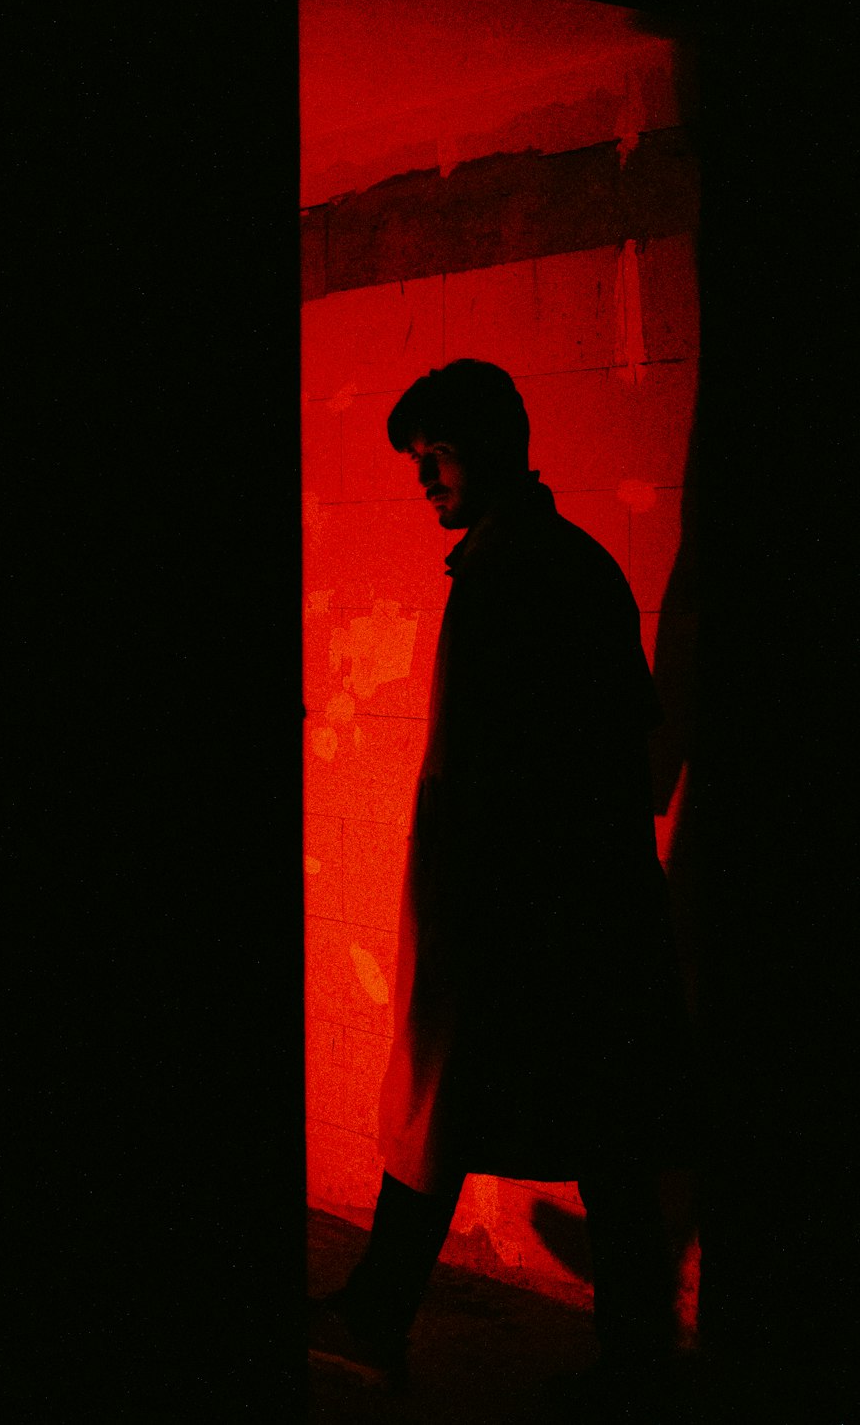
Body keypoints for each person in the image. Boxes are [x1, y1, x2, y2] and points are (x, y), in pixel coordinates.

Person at [310, 360, 694, 1410]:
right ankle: (622, 1349)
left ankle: (392, 1311)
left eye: (433, 456)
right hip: (581, 903)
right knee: (577, 1123)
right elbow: (622, 752)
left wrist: (464, 908)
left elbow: (484, 773)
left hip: (526, 906)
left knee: (447, 1103)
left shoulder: (508, 570)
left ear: (483, 445)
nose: (423, 480)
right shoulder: (568, 561)